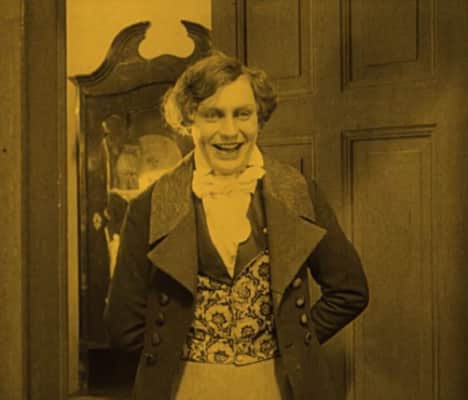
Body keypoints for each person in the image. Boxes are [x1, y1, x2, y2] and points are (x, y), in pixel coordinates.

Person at [104, 52, 369, 400]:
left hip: (279, 387)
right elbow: (122, 326)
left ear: (259, 117)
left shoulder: (298, 192)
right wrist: (172, 357)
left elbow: (350, 290)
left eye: (242, 114)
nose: (230, 131)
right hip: (185, 390)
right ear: (189, 119)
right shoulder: (150, 205)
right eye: (213, 115)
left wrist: (292, 343)